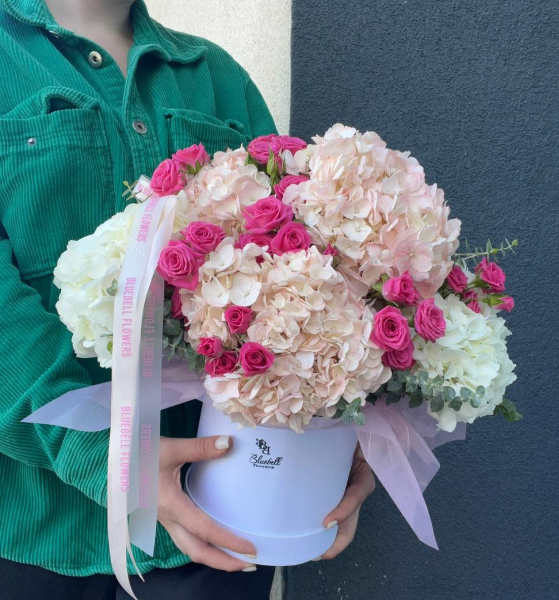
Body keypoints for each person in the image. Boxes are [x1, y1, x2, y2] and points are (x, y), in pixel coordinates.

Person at [0, 0, 375, 598]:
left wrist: (343, 439)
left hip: (223, 530)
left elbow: (312, 270)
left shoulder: (217, 78)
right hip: (38, 534)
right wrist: (99, 455)